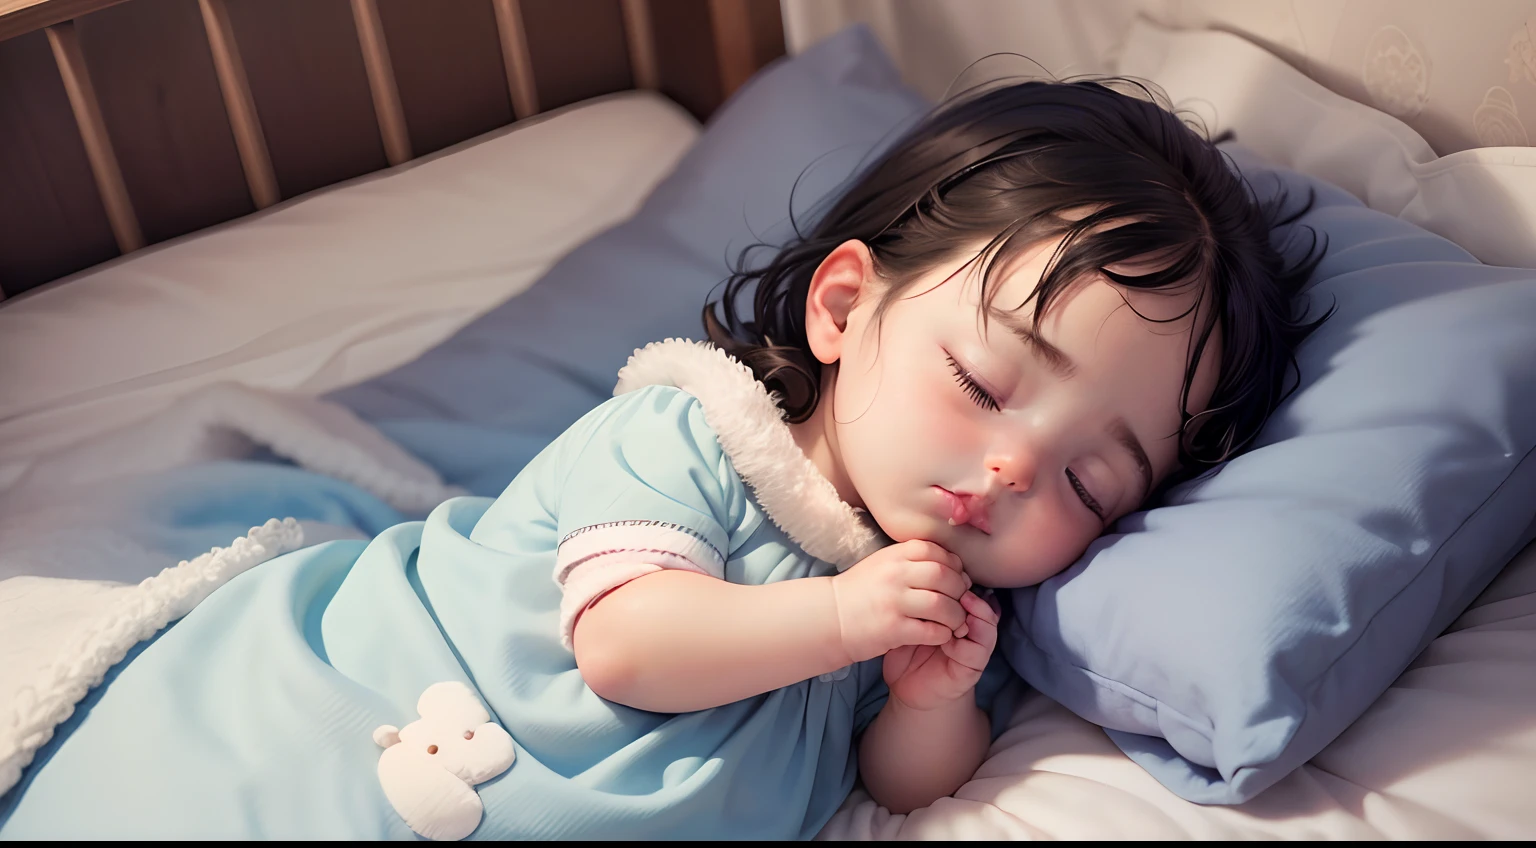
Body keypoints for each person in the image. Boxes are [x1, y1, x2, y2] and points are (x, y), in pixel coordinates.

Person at [0, 78, 1324, 840]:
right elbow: (629, 645)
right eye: (981, 382)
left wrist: (927, 700)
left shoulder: (921, 600)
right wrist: (844, 617)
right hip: (359, 719)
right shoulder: (691, 434)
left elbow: (901, 783)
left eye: (1094, 482)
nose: (1012, 471)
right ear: (846, 308)